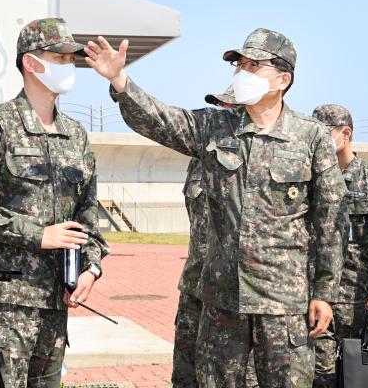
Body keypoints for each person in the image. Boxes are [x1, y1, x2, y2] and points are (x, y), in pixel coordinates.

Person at [85, 28, 347, 387]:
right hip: (223, 302)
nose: (242, 73)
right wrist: (119, 80)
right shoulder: (215, 126)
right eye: (239, 65)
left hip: (282, 305)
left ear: (283, 79)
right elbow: (162, 120)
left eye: (255, 65)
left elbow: (330, 220)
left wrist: (324, 292)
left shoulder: (311, 136)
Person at [0, 18, 109, 387]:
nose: (68, 65)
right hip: (3, 302)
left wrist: (90, 269)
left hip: (55, 301)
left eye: (71, 58)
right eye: (59, 56)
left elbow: (88, 216)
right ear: (31, 62)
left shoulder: (75, 135)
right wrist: (37, 235)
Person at [311, 104, 368, 387]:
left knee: (359, 374)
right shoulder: (310, 179)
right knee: (320, 375)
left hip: (358, 297)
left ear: (346, 133)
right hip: (316, 294)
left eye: (323, 134)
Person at [172, 87, 238, 387]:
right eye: (218, 106)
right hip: (194, 284)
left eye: (229, 107)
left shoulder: (254, 164)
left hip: (229, 292)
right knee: (185, 374)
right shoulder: (199, 160)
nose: (221, 112)